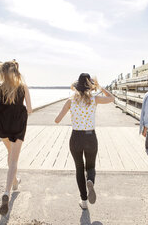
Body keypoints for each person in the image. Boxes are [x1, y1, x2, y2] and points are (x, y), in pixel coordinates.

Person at [55, 73, 115, 210]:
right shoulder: (95, 99)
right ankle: (90, 181)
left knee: (79, 168)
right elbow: (111, 98)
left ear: (77, 87)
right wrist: (99, 86)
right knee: (91, 167)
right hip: (90, 137)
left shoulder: (70, 101)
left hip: (76, 137)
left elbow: (57, 120)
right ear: (90, 87)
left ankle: (84, 201)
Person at [0, 60, 32, 216]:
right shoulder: (23, 87)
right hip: (18, 124)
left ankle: (15, 182)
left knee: (10, 154)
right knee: (13, 159)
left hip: (3, 124)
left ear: (3, 73)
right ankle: (7, 192)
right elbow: (30, 109)